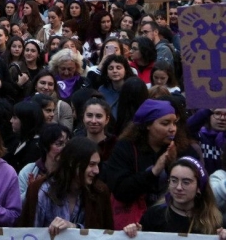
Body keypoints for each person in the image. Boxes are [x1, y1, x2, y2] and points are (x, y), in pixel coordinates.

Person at [104, 98, 198, 229]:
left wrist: (173, 164)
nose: (172, 129)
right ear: (148, 125)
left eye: (174, 123)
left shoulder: (183, 148)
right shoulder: (126, 148)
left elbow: (198, 184)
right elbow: (121, 190)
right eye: (165, 123)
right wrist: (154, 171)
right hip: (134, 225)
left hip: (171, 223)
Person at [20, 137, 113, 234]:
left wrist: (75, 227)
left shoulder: (99, 192)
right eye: (91, 164)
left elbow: (104, 233)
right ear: (72, 162)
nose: (96, 171)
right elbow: (30, 233)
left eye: (97, 164)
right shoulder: (40, 191)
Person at [124, 157, 226, 238]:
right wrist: (132, 233)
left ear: (199, 187)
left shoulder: (214, 221)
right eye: (174, 180)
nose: (178, 187)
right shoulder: (154, 215)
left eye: (186, 182)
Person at [18, 124, 71, 202]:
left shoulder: (71, 171)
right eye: (59, 144)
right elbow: (17, 204)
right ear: (45, 147)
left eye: (67, 144)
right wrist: (32, 190)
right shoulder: (29, 170)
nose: (65, 148)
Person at [5, 100, 45, 172]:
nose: (11, 120)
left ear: (26, 120)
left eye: (15, 117)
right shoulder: (18, 140)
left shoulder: (35, 147)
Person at [76, 97, 118, 161]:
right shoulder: (76, 145)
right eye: (89, 115)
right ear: (83, 118)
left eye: (99, 116)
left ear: (107, 119)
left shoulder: (115, 145)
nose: (93, 121)